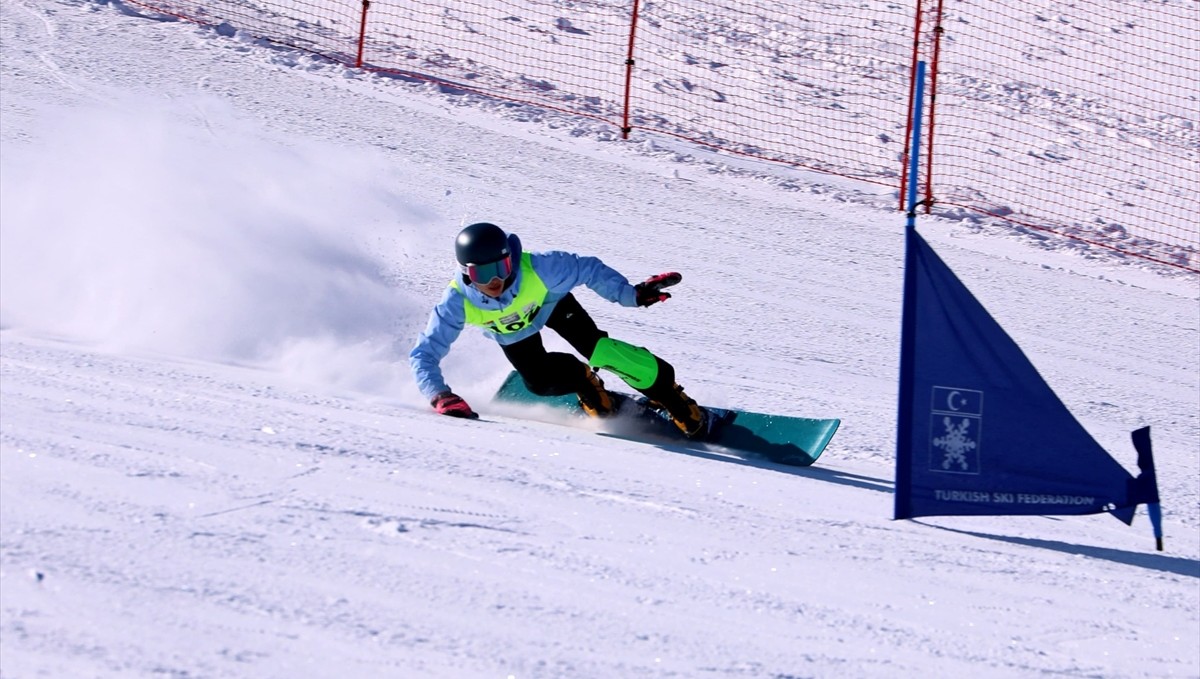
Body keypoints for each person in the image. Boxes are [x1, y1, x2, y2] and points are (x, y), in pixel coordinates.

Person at [410, 221, 714, 439]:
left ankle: (672, 398)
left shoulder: (539, 268)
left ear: (510, 259)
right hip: (514, 332)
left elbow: (588, 268)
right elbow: (425, 352)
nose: (494, 281)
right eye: (482, 273)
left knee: (601, 350)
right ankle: (585, 383)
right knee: (540, 383)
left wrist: (630, 295)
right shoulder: (457, 301)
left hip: (551, 304)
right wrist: (439, 395)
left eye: (501, 268)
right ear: (466, 274)